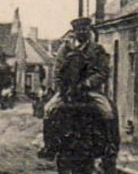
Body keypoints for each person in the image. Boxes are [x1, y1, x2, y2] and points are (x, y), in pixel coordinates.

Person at [40, 17, 115, 158]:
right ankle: (48, 146)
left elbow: (103, 72)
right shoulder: (65, 49)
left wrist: (88, 83)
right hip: (67, 91)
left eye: (84, 29)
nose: (81, 32)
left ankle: (109, 146)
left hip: (90, 91)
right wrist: (61, 88)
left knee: (107, 110)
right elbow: (57, 70)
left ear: (89, 31)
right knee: (48, 109)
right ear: (73, 32)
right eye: (78, 30)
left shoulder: (97, 50)